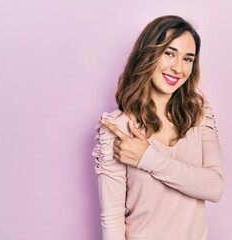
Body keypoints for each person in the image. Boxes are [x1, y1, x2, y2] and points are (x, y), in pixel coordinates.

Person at [92, 15, 223, 240]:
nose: (178, 68)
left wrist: (147, 158)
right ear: (149, 54)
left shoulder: (198, 113)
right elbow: (112, 220)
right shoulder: (117, 128)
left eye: (188, 59)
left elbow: (214, 187)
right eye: (169, 53)